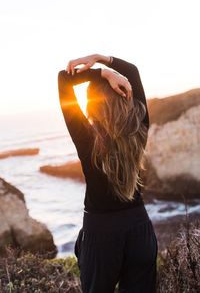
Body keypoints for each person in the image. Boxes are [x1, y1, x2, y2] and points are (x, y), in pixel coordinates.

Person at [57, 54, 158, 293]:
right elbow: (132, 70)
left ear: (92, 104)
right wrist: (102, 59)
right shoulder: (139, 126)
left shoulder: (87, 139)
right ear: (125, 93)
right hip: (140, 229)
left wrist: (102, 74)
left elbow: (63, 79)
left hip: (101, 233)